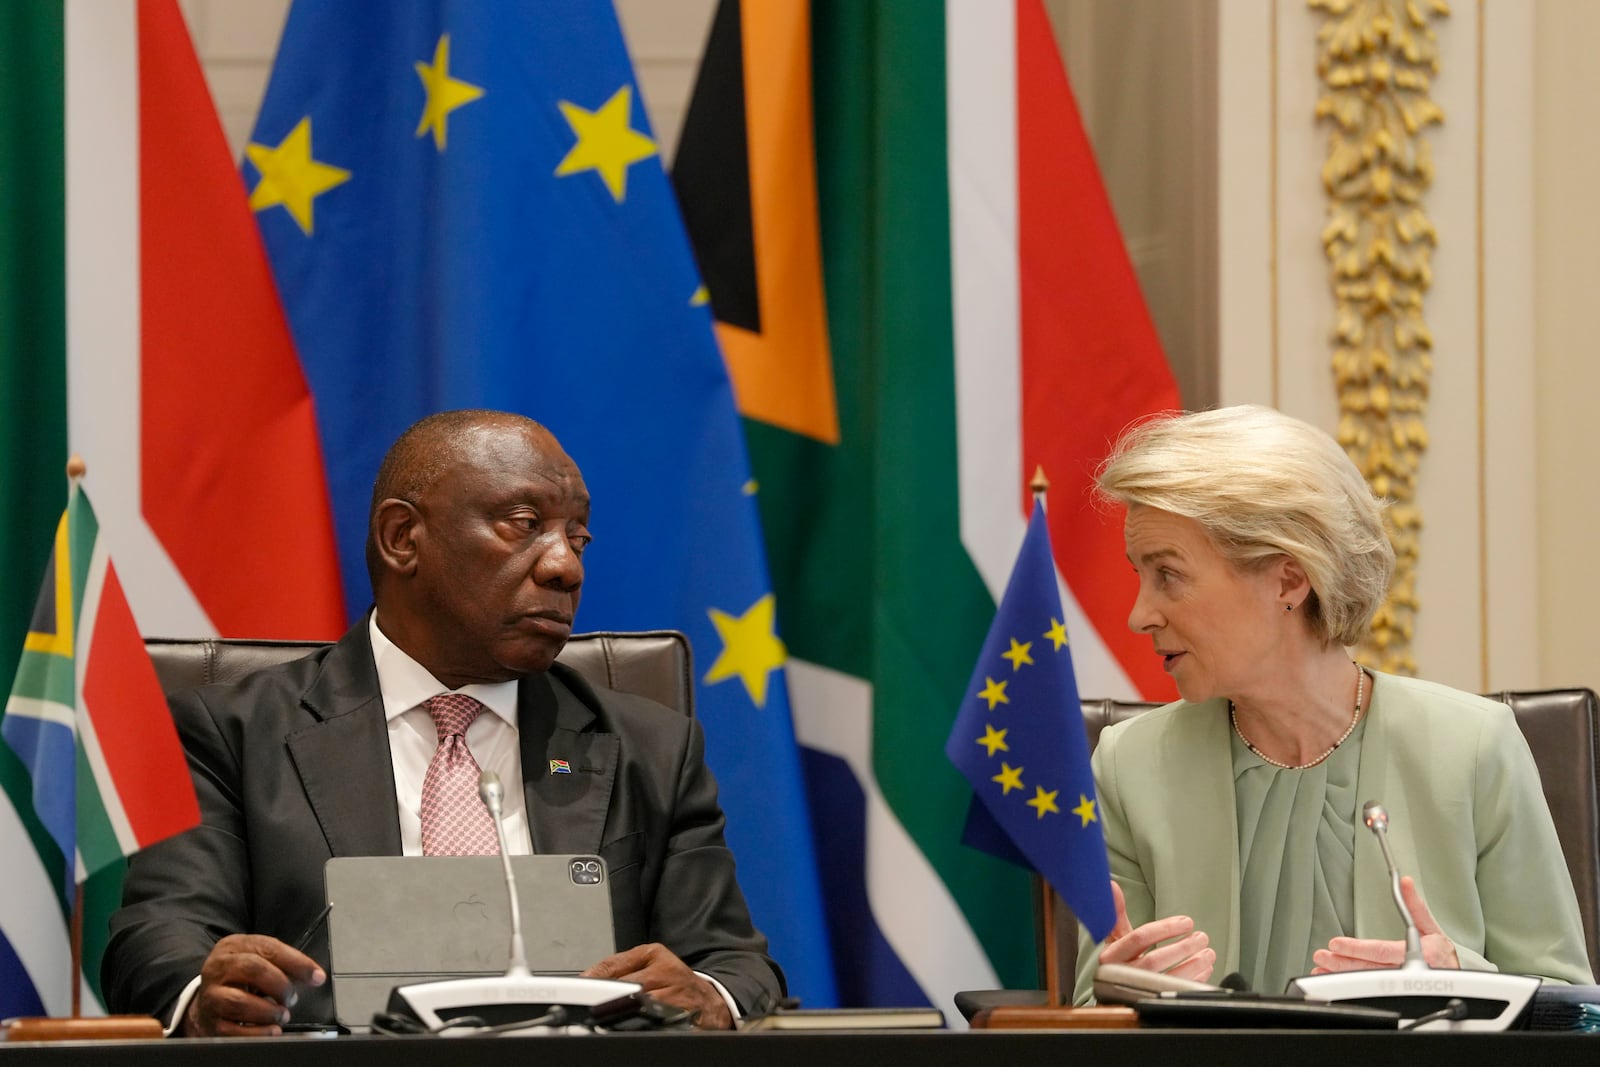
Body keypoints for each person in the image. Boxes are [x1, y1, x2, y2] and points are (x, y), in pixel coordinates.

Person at [103, 409, 784, 1034]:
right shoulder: (231, 734)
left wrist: (704, 993)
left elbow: (735, 964)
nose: (565, 565)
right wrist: (207, 993)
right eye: (525, 524)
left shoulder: (649, 748)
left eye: (577, 536)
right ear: (403, 538)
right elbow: (158, 939)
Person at [1074, 404, 1592, 1003]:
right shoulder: (1127, 765)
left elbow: (1573, 1012)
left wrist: (1465, 980)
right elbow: (1093, 1009)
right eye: (1140, 574)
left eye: (1168, 575)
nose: (1140, 614)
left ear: (1289, 580)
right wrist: (1125, 997)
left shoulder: (1474, 747)